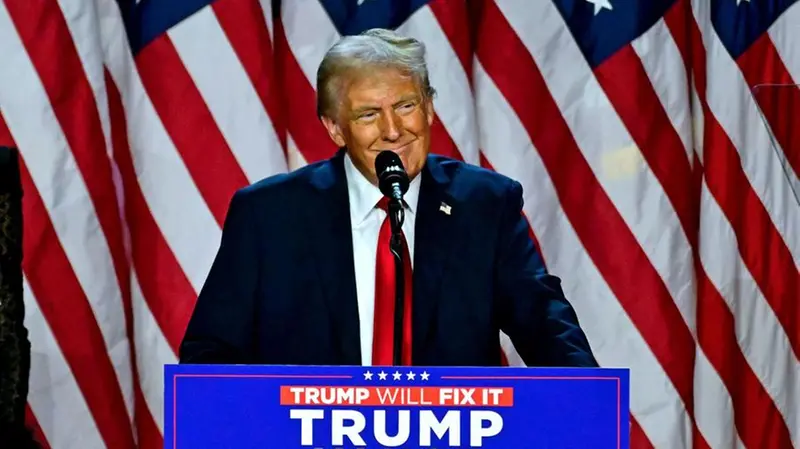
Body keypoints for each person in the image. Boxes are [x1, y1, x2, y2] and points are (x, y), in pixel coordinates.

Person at [179, 28, 597, 368]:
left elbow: (545, 326)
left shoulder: (484, 205)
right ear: (335, 129)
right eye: (368, 114)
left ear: (429, 108)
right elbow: (210, 356)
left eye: (406, 105)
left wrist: (587, 404)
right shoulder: (269, 216)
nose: (393, 130)